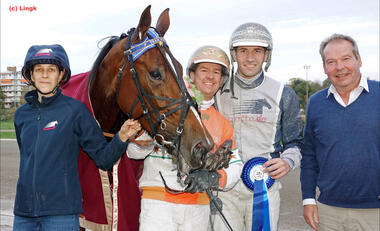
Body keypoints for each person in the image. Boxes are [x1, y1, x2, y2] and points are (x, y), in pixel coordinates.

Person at [13, 44, 141, 230]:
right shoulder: (21, 115)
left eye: (51, 69)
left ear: (61, 75)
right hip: (24, 213)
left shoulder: (76, 111)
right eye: (39, 70)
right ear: (31, 75)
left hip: (61, 214)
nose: (45, 75)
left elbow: (103, 158)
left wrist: (121, 137)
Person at [126, 45, 243, 231]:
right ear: (192, 75)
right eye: (204, 70)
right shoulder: (163, 110)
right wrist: (150, 138)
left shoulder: (222, 124)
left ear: (222, 80)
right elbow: (133, 153)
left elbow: (236, 165)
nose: (210, 77)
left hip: (198, 206)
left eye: (216, 72)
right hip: (158, 203)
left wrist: (214, 178)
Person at [214, 22, 303, 230]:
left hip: (265, 189)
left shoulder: (284, 93)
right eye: (243, 51)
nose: (250, 58)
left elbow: (296, 142)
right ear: (233, 55)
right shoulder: (216, 91)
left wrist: (288, 161)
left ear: (267, 55)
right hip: (225, 191)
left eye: (257, 51)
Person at [300, 34, 380, 231]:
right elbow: (309, 154)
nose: (339, 67)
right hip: (328, 211)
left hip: (375, 212)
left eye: (346, 59)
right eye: (331, 62)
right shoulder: (316, 103)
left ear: (358, 60)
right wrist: (308, 199)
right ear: (325, 68)